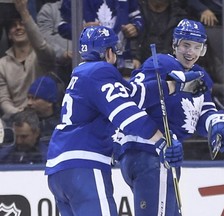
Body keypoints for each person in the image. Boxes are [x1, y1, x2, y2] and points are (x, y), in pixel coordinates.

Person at [45, 25, 202, 216]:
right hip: (84, 166)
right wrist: (163, 142)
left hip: (58, 169)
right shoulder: (101, 72)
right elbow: (127, 115)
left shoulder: (83, 75)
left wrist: (174, 86)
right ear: (109, 52)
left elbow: (134, 95)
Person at [114, 19, 224, 215]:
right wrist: (172, 83)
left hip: (162, 158)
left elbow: (203, 111)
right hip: (149, 155)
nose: (191, 52)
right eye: (186, 45)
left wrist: (217, 124)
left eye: (197, 47)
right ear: (175, 44)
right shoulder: (161, 64)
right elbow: (134, 99)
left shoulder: (199, 75)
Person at [58, 0, 143, 78]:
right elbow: (62, 26)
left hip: (122, 62)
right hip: (87, 64)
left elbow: (138, 19)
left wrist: (135, 27)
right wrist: (81, 28)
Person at [0, 0, 55, 119]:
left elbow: (41, 46)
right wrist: (19, 113)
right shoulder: (2, 64)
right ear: (9, 34)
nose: (18, 28)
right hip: (15, 118)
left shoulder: (41, 56)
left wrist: (24, 13)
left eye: (22, 24)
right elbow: (3, 99)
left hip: (43, 116)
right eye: (13, 26)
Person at [36, 0, 73, 87]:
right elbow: (43, 39)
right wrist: (62, 54)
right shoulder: (49, 10)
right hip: (59, 68)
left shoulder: (92, 10)